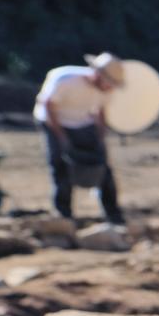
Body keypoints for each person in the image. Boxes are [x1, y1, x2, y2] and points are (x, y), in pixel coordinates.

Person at [33, 52, 127, 226]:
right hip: (53, 121)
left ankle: (113, 214)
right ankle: (64, 215)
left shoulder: (106, 89)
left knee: (103, 166)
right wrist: (61, 138)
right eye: (109, 83)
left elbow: (100, 112)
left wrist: (100, 138)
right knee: (60, 164)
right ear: (99, 75)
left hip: (82, 122)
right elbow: (48, 106)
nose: (111, 88)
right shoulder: (65, 79)